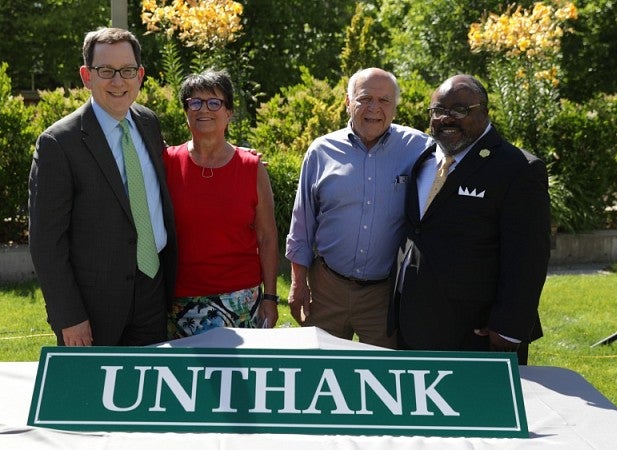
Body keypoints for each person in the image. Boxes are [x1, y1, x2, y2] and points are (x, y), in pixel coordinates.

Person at [28, 28, 177, 347]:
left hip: (152, 291)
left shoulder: (148, 123)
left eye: (127, 71)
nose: (118, 81)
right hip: (92, 308)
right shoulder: (59, 143)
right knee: (92, 395)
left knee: (148, 390)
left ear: (140, 75)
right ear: (86, 75)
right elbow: (46, 242)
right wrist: (69, 316)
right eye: (106, 71)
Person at [390, 74, 551, 364]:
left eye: (460, 110)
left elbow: (527, 259)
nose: (447, 118)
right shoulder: (423, 161)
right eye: (438, 110)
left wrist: (509, 329)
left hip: (477, 333)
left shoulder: (518, 170)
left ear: (484, 111)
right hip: (414, 324)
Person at [286, 67, 430, 349]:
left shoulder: (420, 149)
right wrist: (298, 283)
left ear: (395, 107)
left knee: (379, 379)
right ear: (347, 102)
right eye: (364, 99)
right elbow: (302, 224)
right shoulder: (321, 151)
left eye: (384, 100)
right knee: (320, 373)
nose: (374, 108)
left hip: (384, 295)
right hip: (327, 288)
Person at [164, 68, 279, 338]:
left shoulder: (251, 166)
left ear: (229, 113)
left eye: (214, 102)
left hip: (241, 301)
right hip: (179, 301)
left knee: (239, 379)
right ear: (186, 111)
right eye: (195, 102)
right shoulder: (166, 162)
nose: (204, 109)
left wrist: (271, 298)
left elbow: (267, 236)